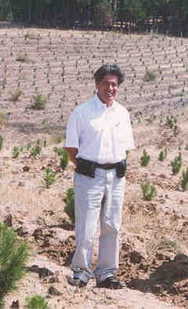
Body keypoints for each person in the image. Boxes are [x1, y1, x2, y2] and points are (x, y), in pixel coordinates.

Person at [64, 63, 135, 289]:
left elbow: (126, 147)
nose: (111, 88)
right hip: (89, 176)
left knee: (111, 225)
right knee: (86, 225)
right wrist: (86, 167)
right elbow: (71, 148)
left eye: (114, 84)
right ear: (97, 85)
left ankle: (106, 273)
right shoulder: (82, 112)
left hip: (115, 176)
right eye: (106, 83)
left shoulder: (122, 113)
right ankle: (81, 272)